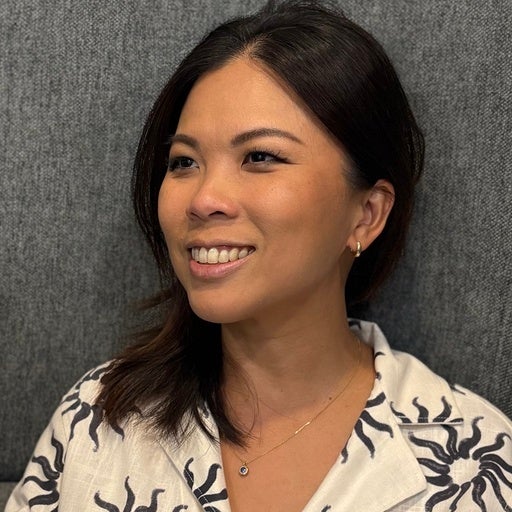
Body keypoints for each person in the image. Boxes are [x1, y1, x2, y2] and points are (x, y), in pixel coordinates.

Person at [6, 1, 512, 511]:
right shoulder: (98, 419)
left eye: (260, 157)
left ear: (366, 214)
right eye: (184, 162)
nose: (203, 199)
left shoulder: (479, 464)